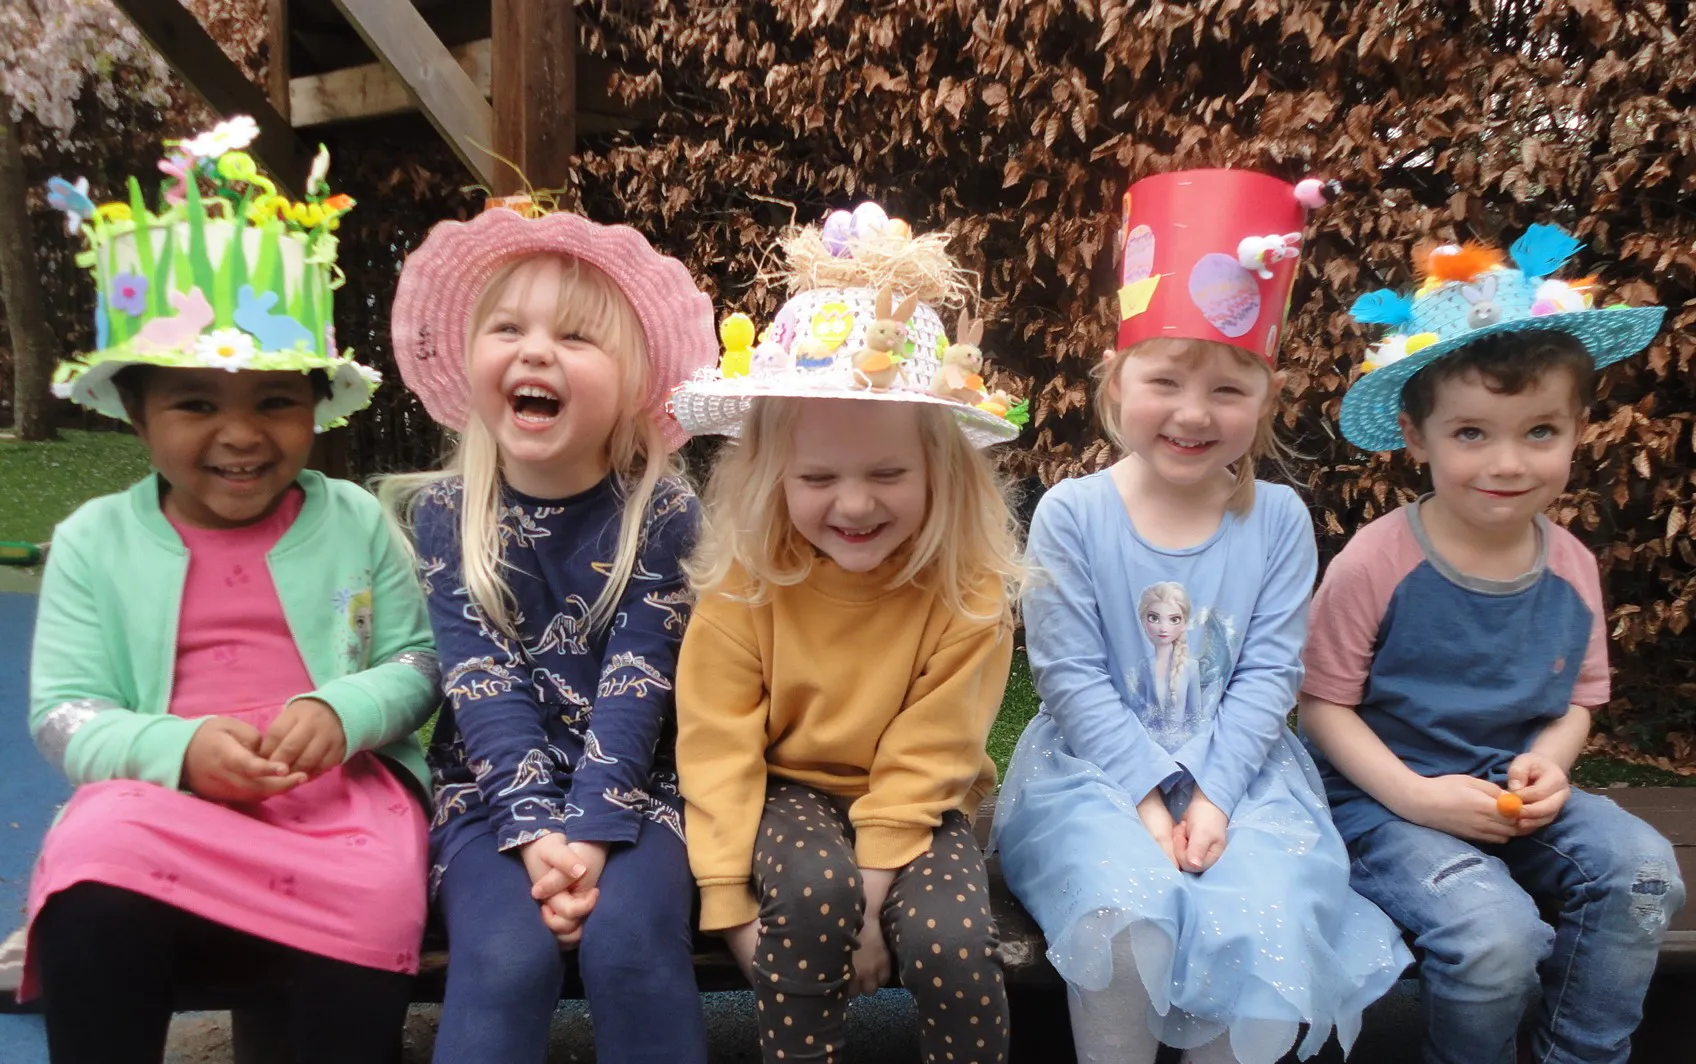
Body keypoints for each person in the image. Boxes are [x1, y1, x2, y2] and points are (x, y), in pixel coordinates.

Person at [25, 125, 436, 1064]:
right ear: (135, 414)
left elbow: (416, 663)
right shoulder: (94, 540)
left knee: (380, 885)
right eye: (197, 403)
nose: (241, 434)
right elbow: (65, 714)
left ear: (315, 409)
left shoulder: (356, 521)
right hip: (161, 797)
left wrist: (343, 709)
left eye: (275, 401)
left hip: (336, 796)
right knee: (91, 869)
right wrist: (174, 746)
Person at [991, 170, 1411, 1064]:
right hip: (1098, 775)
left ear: (1265, 399)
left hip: (1242, 769)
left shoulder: (1279, 520)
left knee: (1259, 903)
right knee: (1126, 904)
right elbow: (1068, 677)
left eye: (1228, 390)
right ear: (1117, 378)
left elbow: (1268, 674)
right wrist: (1150, 799)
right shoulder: (1073, 513)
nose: (1193, 412)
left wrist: (1213, 797)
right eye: (1166, 380)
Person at [1300, 223, 1684, 1064]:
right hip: (1384, 803)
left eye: (1539, 432)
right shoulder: (1381, 559)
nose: (1507, 462)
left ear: (1577, 429)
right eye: (1471, 433)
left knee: (1646, 873)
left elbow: (1580, 701)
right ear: (1417, 437)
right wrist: (1414, 797)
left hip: (1514, 793)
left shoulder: (1571, 564)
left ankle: (1581, 1054)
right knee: (1495, 939)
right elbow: (1321, 704)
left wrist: (1553, 759)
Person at [667, 203, 1028, 1064]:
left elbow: (933, 753)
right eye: (819, 477)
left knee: (952, 944)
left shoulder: (969, 591)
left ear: (942, 472)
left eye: (890, 473)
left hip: (917, 806)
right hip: (787, 792)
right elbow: (716, 745)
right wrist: (727, 902)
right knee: (808, 896)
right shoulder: (747, 585)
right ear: (771, 477)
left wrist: (874, 905)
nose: (856, 504)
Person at [382, 198, 718, 1064]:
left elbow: (638, 686)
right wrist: (537, 837)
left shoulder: (665, 512)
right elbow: (480, 686)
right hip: (487, 800)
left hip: (639, 798)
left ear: (636, 383)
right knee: (503, 958)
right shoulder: (449, 514)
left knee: (634, 948)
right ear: (473, 358)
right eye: (508, 328)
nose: (535, 350)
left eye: (575, 337)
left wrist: (591, 838)